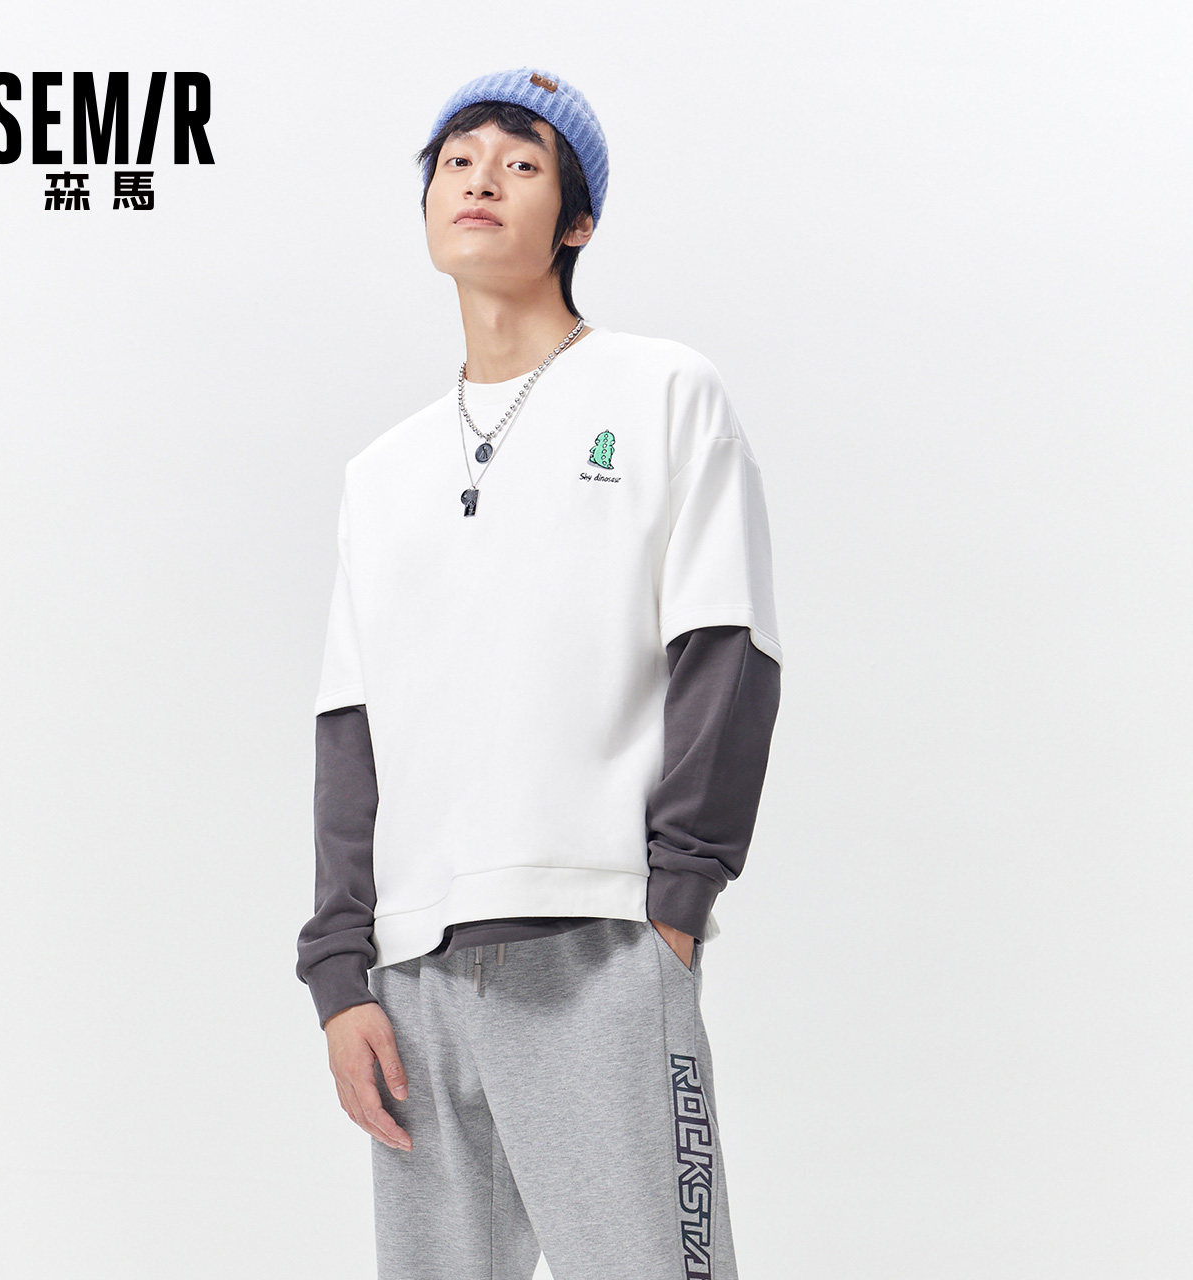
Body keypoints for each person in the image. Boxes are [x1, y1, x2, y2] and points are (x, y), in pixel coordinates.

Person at [296, 65, 783, 1280]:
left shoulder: (663, 392)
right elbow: (351, 728)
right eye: (456, 161)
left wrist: (673, 906)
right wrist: (340, 975)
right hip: (410, 971)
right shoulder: (380, 474)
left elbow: (726, 649)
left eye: (520, 163)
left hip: (599, 940)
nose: (481, 179)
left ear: (575, 221)